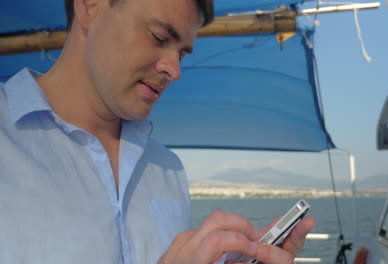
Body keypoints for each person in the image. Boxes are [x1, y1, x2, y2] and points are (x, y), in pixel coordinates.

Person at [0, 0, 315, 263]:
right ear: (89, 6)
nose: (174, 71)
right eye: (158, 37)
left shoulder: (168, 169)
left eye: (182, 53)